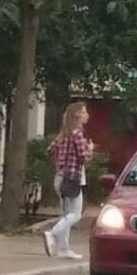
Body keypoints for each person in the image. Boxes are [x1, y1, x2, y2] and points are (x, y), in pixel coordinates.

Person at [44, 102, 95, 259]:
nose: (87, 115)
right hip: (72, 179)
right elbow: (82, 157)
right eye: (85, 112)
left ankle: (63, 249)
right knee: (76, 214)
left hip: (60, 177)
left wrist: (61, 162)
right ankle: (51, 234)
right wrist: (90, 150)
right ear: (77, 115)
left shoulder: (63, 134)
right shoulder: (77, 134)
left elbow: (49, 150)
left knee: (66, 215)